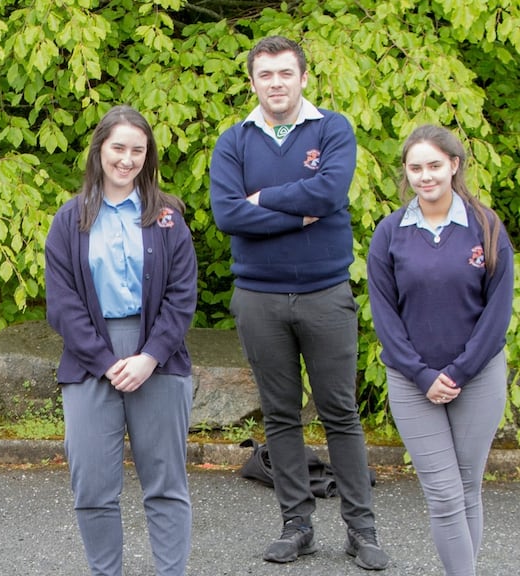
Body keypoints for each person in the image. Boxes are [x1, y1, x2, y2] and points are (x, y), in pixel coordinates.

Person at [208, 36, 390, 570]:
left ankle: (362, 529)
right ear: (253, 82)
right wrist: (297, 208)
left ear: (304, 77)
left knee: (341, 414)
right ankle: (297, 525)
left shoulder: (332, 129)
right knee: (282, 416)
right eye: (265, 75)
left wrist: (262, 200)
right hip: (259, 298)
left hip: (325, 294)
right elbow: (227, 215)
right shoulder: (233, 142)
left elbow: (330, 194)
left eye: (286, 73)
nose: (276, 83)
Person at [45, 105, 198, 576]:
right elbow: (63, 302)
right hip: (92, 358)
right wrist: (105, 359)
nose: (126, 159)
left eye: (137, 149)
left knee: (166, 484)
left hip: (159, 355)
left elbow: (182, 294)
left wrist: (149, 356)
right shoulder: (69, 220)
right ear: (99, 150)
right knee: (92, 486)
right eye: (118, 148)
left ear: (147, 155)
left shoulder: (168, 216)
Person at [367, 125, 513, 576]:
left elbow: (497, 313)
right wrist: (424, 375)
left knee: (468, 488)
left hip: (479, 376)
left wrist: (461, 371)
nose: (425, 176)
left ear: (454, 165)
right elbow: (385, 315)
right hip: (413, 381)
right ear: (406, 173)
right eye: (415, 168)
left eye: (434, 165)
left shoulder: (486, 227)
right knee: (445, 495)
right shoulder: (390, 233)